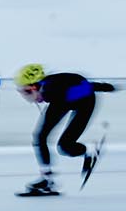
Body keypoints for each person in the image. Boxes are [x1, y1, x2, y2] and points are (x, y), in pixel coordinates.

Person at [13, 64, 117, 197]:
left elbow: (86, 87)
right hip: (62, 100)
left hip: (85, 101)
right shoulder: (48, 91)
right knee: (40, 137)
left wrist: (105, 86)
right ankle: (47, 180)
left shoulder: (53, 89)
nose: (27, 97)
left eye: (27, 91)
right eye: (22, 92)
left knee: (64, 146)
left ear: (36, 86)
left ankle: (89, 151)